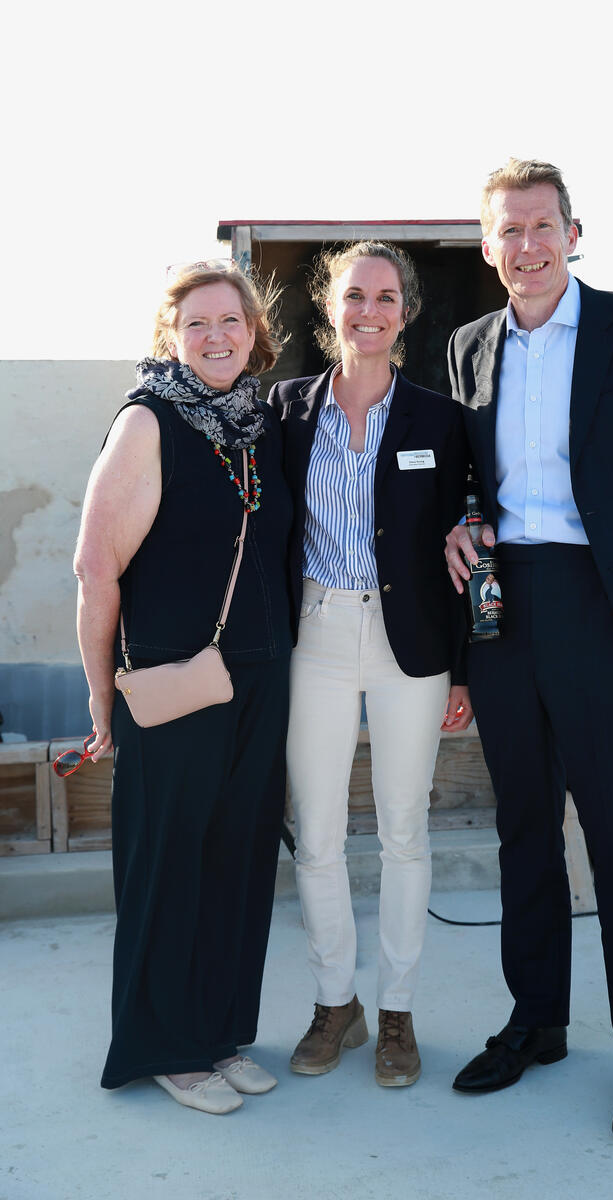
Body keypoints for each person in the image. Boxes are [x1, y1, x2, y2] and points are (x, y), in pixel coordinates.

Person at [444, 159, 613, 1138]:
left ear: (572, 232)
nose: (526, 245)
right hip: (504, 612)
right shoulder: (468, 346)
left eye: (541, 225)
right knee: (523, 826)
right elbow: (467, 478)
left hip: (606, 606)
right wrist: (460, 523)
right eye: (507, 230)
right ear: (487, 246)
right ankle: (537, 1020)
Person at [73, 260, 293, 1114]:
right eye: (196, 322)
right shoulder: (149, 420)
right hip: (172, 682)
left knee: (238, 861)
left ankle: (219, 1034)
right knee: (170, 865)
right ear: (171, 337)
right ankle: (166, 1047)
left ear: (254, 331)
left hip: (257, 678)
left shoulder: (258, 425)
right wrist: (101, 694)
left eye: (230, 320)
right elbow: (95, 568)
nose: (215, 336)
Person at [269, 241, 472, 1087]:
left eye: (386, 297)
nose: (370, 311)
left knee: (403, 830)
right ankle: (334, 1005)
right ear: (330, 307)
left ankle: (397, 1012)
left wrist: (463, 669)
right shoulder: (285, 409)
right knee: (316, 832)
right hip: (315, 633)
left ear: (407, 312)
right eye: (355, 295)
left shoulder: (440, 419)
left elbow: (466, 536)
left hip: (409, 643)